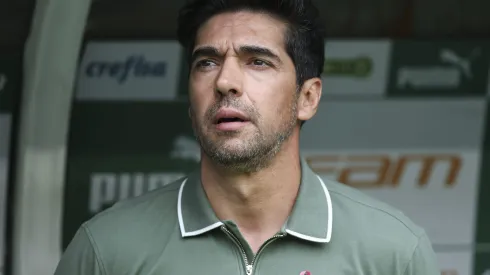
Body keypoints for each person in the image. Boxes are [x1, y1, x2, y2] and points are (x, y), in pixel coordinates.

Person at [54, 0, 441, 274]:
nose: (225, 82)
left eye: (258, 61)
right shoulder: (106, 250)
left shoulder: (393, 251)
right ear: (190, 99)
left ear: (307, 97)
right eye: (207, 62)